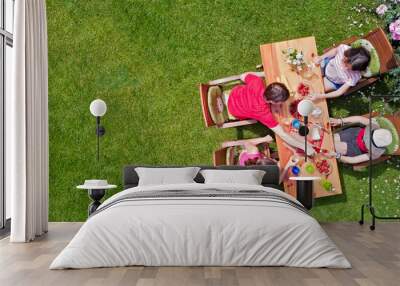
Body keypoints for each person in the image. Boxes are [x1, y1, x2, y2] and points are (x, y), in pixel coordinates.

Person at [227, 72, 316, 156]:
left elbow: (243, 76)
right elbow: (283, 134)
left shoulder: (257, 81)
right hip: (235, 110)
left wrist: (262, 74)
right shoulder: (263, 113)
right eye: (280, 102)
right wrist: (304, 147)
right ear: (272, 102)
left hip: (234, 94)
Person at [221, 135, 297, 184]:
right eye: (273, 160)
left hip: (245, 157)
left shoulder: (254, 152)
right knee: (282, 167)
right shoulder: (258, 175)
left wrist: (265, 139)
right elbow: (278, 181)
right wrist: (288, 165)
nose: (275, 161)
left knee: (281, 165)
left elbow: (247, 143)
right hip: (245, 165)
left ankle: (273, 152)